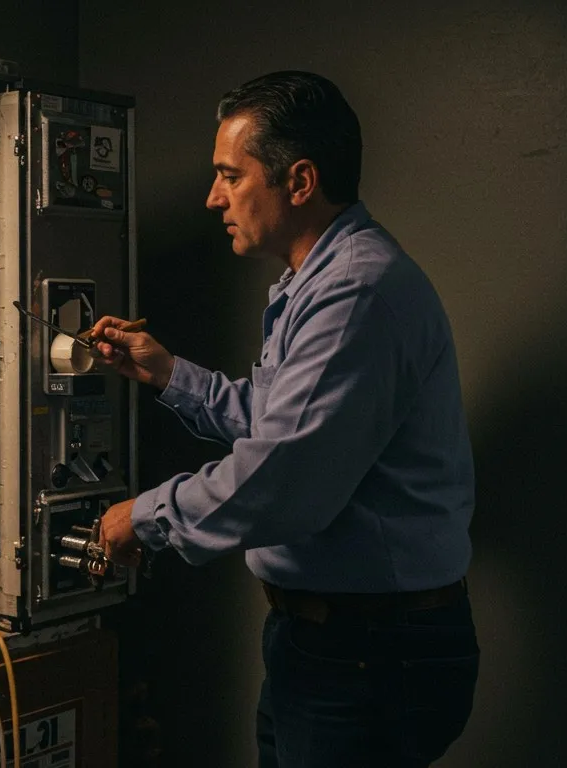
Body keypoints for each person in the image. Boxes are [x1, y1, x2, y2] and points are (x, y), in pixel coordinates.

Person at [90, 71, 479, 767]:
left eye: (230, 177)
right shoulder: (318, 281)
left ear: (298, 182)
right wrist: (168, 373)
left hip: (368, 656)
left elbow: (283, 479)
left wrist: (142, 519)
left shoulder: (354, 291)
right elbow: (278, 424)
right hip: (334, 644)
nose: (214, 198)